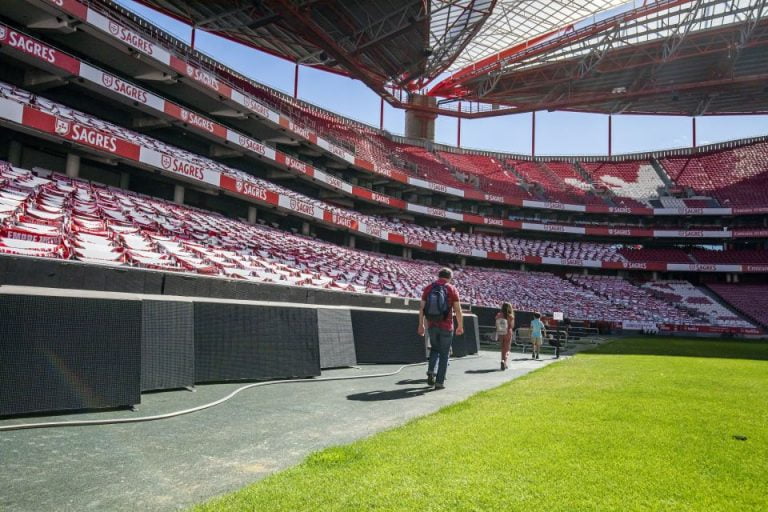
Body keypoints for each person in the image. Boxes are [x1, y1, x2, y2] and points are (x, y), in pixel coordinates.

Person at [418, 267, 464, 390]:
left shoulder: (428, 288)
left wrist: (421, 324)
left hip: (432, 324)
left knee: (434, 349)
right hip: (447, 326)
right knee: (444, 354)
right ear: (450, 277)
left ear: (439, 276)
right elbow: (458, 310)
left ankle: (430, 371)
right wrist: (460, 325)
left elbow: (421, 308)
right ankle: (439, 382)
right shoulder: (451, 289)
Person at [496, 303, 514, 370]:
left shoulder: (498, 315)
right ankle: (505, 361)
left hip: (501, 332)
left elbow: (496, 323)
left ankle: (502, 360)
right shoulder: (510, 316)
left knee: (502, 348)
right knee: (508, 349)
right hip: (508, 332)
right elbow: (512, 326)